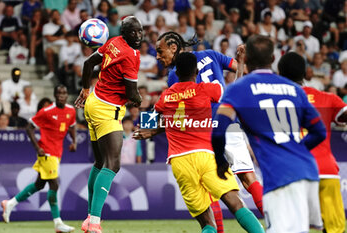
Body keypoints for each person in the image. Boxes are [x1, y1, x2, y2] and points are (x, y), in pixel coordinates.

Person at [136, 31, 264, 232]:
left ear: (173, 49)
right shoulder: (208, 74)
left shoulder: (169, 88)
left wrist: (149, 130)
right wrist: (240, 61)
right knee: (243, 189)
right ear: (195, 73)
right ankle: (274, 224)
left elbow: (168, 116)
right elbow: (238, 78)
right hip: (217, 136)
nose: (158, 57)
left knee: (206, 211)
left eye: (160, 52)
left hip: (183, 156)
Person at [212, 35, 326, 232]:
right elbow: (319, 131)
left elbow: (218, 131)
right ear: (273, 59)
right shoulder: (295, 89)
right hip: (308, 172)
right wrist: (296, 150)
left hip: (279, 176)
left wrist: (221, 162)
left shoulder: (238, 90)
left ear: (245, 60)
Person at [74, 16, 143, 233]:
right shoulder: (131, 55)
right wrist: (141, 100)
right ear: (125, 33)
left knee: (100, 162)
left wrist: (86, 90)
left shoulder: (113, 42)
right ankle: (95, 223)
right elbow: (132, 93)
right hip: (107, 109)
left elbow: (88, 64)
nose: (138, 36)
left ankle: (89, 219)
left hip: (93, 102)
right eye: (134, 32)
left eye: (140, 31)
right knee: (113, 164)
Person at [278, 51, 347, 233]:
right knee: (335, 229)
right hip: (326, 171)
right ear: (306, 72)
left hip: (293, 173)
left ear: (279, 72)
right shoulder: (327, 98)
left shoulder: (274, 101)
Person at [1, 85, 77, 233]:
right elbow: (29, 127)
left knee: (39, 184)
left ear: (67, 95)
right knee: (54, 185)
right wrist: (37, 148)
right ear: (55, 95)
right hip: (46, 152)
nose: (62, 95)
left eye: (64, 93)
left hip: (57, 153)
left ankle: (10, 203)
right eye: (59, 93)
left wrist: (74, 142)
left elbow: (72, 126)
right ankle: (58, 222)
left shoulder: (71, 110)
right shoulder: (46, 112)